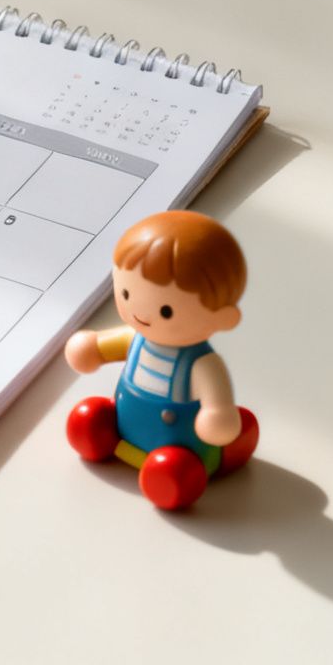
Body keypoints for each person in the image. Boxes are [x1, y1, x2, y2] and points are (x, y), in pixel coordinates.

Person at [63, 210, 259, 510]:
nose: (140, 312)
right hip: (122, 424)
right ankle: (108, 437)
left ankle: (183, 470)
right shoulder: (137, 338)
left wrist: (217, 414)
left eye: (166, 311)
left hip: (177, 447)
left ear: (223, 318)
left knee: (174, 468)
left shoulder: (202, 364)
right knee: (88, 417)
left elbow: (217, 406)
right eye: (126, 292)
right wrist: (92, 348)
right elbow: (100, 347)